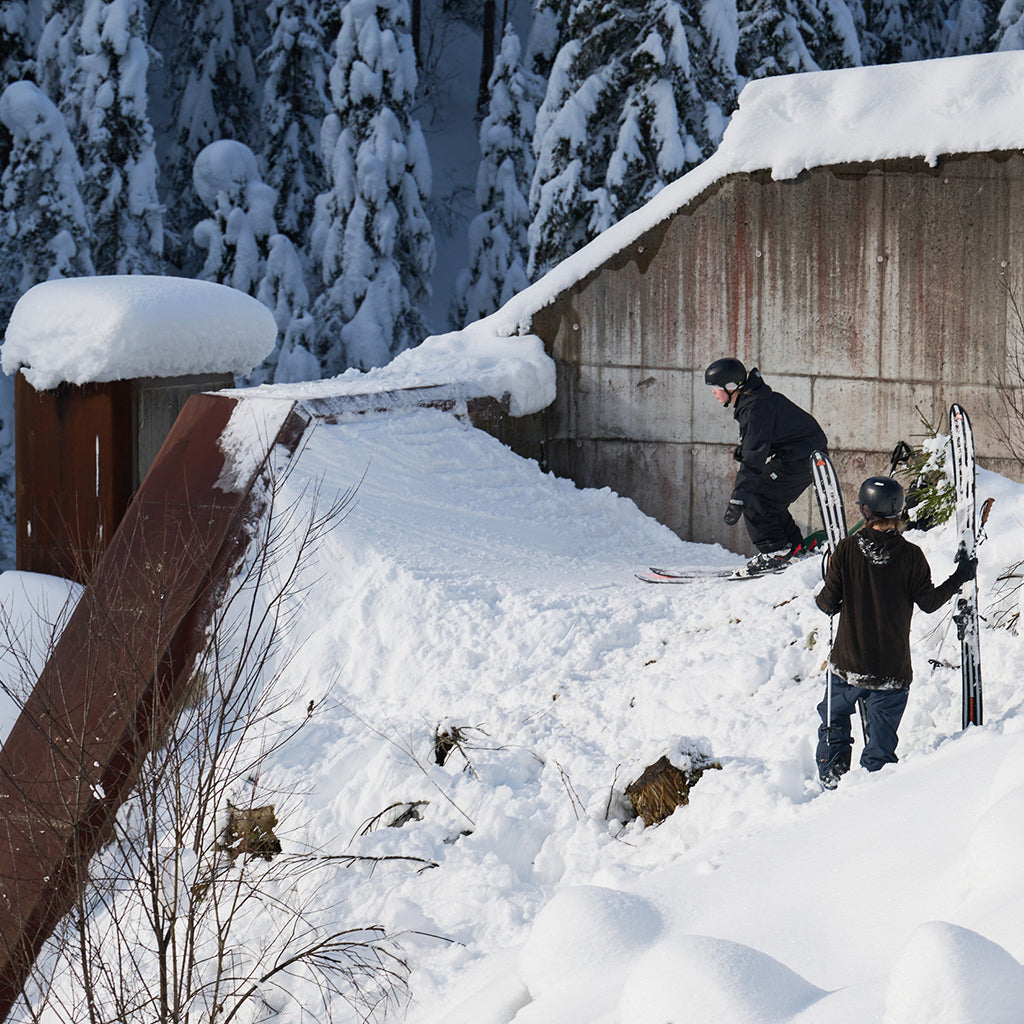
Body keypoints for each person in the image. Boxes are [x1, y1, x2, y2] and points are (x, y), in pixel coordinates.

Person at [814, 475, 977, 789]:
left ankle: (833, 780)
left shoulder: (846, 550)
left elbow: (827, 604)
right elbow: (929, 603)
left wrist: (833, 579)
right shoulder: (912, 555)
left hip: (848, 667)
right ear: (898, 511)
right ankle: (875, 795)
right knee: (880, 753)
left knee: (834, 724)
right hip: (891, 674)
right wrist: (961, 575)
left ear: (865, 511)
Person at [704, 358, 828, 573]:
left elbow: (753, 461)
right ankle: (793, 549)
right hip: (802, 454)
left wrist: (738, 499)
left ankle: (775, 551)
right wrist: (748, 449)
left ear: (731, 387)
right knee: (769, 500)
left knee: (754, 496)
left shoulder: (755, 408)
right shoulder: (755, 400)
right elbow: (771, 436)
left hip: (802, 458)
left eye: (716, 387)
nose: (714, 392)